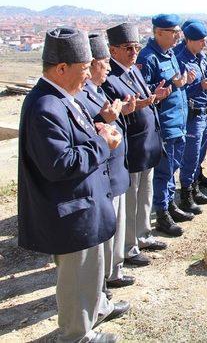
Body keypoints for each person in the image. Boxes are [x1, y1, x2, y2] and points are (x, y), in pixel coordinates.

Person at [18, 27, 128, 343]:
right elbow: (60, 164)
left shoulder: (64, 97)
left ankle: (97, 309)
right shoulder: (45, 107)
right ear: (62, 68)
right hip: (70, 209)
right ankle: (77, 335)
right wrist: (102, 142)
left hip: (85, 203)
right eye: (83, 70)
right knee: (77, 277)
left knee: (91, 270)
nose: (87, 77)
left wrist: (97, 132)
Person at [103, 22, 168, 267]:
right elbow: (113, 113)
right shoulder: (111, 78)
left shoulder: (134, 70)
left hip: (148, 144)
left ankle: (143, 234)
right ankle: (129, 247)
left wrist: (153, 97)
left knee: (146, 194)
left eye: (136, 47)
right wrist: (138, 106)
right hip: (131, 147)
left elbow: (142, 97)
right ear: (113, 50)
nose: (133, 52)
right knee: (131, 200)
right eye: (127, 48)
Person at [77, 33, 136, 291]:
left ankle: (114, 271)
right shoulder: (81, 97)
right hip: (104, 173)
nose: (109, 68)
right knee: (105, 233)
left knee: (117, 226)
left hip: (116, 169)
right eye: (104, 63)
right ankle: (104, 282)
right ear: (90, 65)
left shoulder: (98, 91)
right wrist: (107, 119)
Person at [137, 13, 197, 235]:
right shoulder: (148, 57)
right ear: (158, 32)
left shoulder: (170, 54)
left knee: (172, 168)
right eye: (173, 32)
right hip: (164, 124)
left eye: (177, 32)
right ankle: (161, 214)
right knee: (163, 172)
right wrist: (173, 83)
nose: (177, 36)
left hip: (178, 122)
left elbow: (175, 84)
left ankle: (170, 205)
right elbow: (145, 92)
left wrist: (182, 82)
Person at [176, 21, 207, 211]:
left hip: (203, 112)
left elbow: (203, 85)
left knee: (200, 154)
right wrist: (199, 86)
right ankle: (186, 195)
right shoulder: (180, 59)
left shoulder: (200, 58)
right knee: (190, 157)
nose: (204, 44)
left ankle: (195, 189)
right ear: (189, 40)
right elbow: (178, 91)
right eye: (200, 41)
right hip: (191, 115)